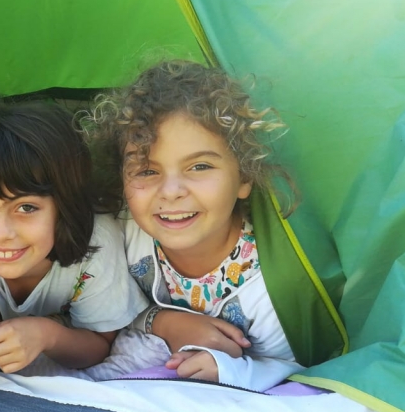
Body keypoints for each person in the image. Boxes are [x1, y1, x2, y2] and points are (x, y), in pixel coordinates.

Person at [85, 59, 302, 391]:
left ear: (245, 177)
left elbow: (291, 368)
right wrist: (164, 322)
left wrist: (229, 370)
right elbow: (103, 312)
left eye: (199, 166)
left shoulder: (271, 286)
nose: (171, 191)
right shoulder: (122, 232)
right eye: (147, 170)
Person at [0, 102, 148, 373]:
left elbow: (101, 344)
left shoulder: (97, 239)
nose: (1, 233)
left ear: (65, 206)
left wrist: (47, 335)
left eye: (26, 207)